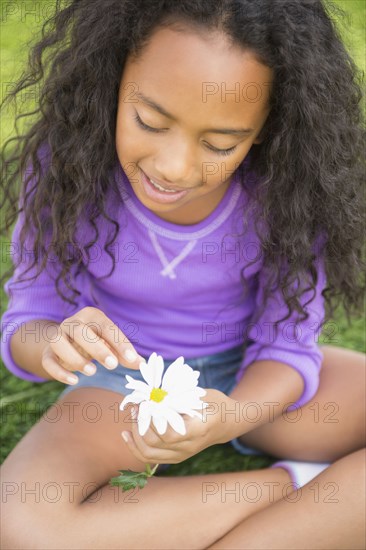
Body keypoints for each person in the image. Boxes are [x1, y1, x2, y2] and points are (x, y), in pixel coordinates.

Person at [1, 1, 365, 548]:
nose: (173, 167)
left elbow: (288, 349)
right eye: (149, 120)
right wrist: (55, 343)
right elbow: (29, 322)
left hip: (250, 379)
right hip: (120, 386)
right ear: (113, 77)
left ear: (269, 126)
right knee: (20, 519)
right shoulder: (66, 168)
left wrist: (233, 415)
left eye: (220, 143)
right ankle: (303, 493)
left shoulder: (289, 194)